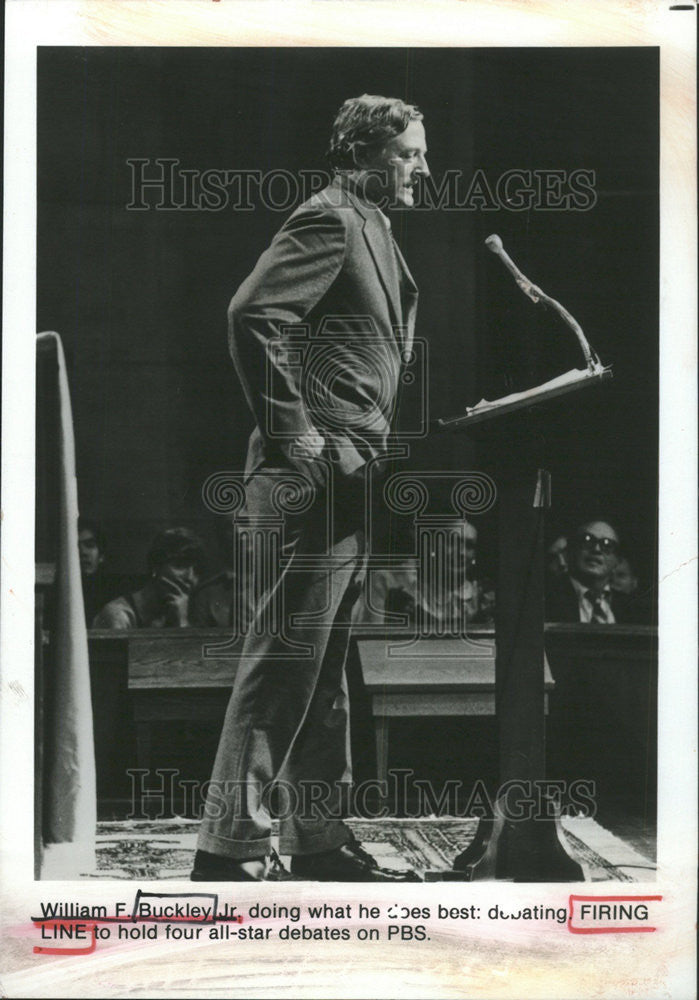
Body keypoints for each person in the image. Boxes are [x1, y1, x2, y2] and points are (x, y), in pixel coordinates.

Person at [192, 95, 429, 883]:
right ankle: (226, 849)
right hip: (309, 479)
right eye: (409, 155)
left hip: (349, 473)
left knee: (320, 671)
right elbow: (253, 314)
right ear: (364, 153)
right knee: (283, 660)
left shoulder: (374, 226)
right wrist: (298, 436)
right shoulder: (329, 217)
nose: (422, 169)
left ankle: (316, 840)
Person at [93, 527, 206, 629]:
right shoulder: (118, 615)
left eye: (197, 571)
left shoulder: (193, 612)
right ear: (155, 567)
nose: (190, 577)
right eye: (180, 565)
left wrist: (182, 621)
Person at [545, 519, 643, 624]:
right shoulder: (547, 597)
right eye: (587, 541)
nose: (596, 549)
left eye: (607, 545)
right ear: (571, 550)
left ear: (617, 561)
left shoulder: (632, 607)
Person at [190, 520, 253, 631]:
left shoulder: (282, 584)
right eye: (229, 527)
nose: (238, 531)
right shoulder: (206, 593)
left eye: (245, 524)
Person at [77, 517, 119, 625]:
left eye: (90, 545)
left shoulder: (113, 594)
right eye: (75, 547)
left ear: (101, 556)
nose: (83, 552)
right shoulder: (56, 594)